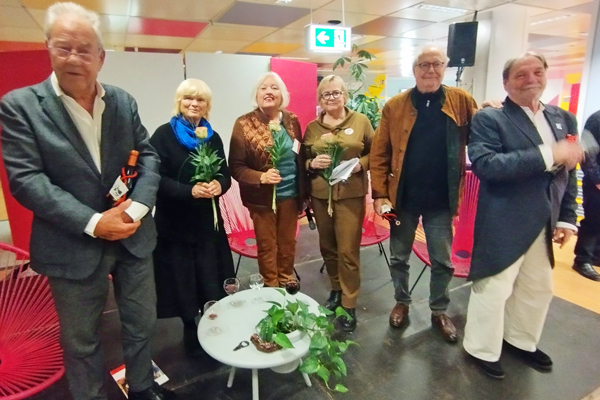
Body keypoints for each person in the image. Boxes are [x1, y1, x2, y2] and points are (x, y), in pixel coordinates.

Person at [0, 3, 174, 400]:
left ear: (101, 57)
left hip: (132, 234)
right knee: (80, 340)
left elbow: (147, 156)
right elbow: (26, 180)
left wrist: (136, 209)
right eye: (64, 48)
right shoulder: (20, 106)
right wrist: (95, 222)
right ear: (49, 49)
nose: (74, 58)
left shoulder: (122, 102)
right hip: (72, 242)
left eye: (84, 49)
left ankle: (143, 387)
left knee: (141, 322)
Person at [463, 52, 582, 379]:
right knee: (494, 286)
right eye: (521, 74)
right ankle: (480, 348)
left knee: (538, 287)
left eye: (538, 71)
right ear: (506, 82)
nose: (531, 78)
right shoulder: (490, 119)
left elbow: (567, 172)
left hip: (545, 218)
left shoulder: (563, 119)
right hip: (504, 217)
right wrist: (547, 154)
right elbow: (487, 166)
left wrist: (566, 216)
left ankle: (519, 340)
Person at [370, 46, 478, 343]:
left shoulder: (462, 101)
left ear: (445, 67)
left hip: (442, 201)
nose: (430, 70)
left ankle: (439, 309)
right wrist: (379, 194)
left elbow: (482, 132)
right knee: (398, 256)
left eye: (437, 64)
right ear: (414, 69)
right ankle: (401, 302)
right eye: (424, 65)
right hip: (398, 200)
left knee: (442, 260)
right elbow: (380, 153)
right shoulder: (394, 106)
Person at [150, 79, 234, 352]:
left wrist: (218, 185)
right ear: (179, 101)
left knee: (210, 271)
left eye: (200, 100)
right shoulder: (162, 135)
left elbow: (225, 173)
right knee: (182, 275)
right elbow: (154, 179)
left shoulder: (213, 136)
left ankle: (213, 317)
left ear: (207, 105)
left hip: (206, 222)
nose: (194, 104)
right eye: (188, 99)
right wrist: (189, 191)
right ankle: (189, 325)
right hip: (175, 222)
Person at [303, 75, 373, 332]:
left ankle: (349, 302)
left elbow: (374, 153)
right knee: (328, 247)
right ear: (320, 100)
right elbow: (303, 159)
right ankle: (335, 290)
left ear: (345, 94)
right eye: (325, 94)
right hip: (321, 195)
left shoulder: (361, 121)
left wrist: (360, 164)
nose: (331, 98)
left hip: (350, 196)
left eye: (335, 93)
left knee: (348, 251)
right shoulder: (312, 127)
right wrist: (311, 163)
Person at [228, 72, 306, 287]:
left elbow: (300, 154)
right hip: (262, 200)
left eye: (274, 87)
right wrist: (261, 176)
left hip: (291, 195)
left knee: (288, 243)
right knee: (267, 245)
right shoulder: (244, 123)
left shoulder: (292, 120)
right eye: (264, 88)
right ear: (257, 94)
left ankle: (286, 280)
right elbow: (236, 167)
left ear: (282, 94)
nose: (269, 92)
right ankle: (271, 287)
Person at [572, 110, 600, 281]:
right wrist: (597, 179)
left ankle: (596, 255)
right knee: (593, 220)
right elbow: (587, 152)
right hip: (596, 181)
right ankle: (582, 259)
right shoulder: (597, 119)